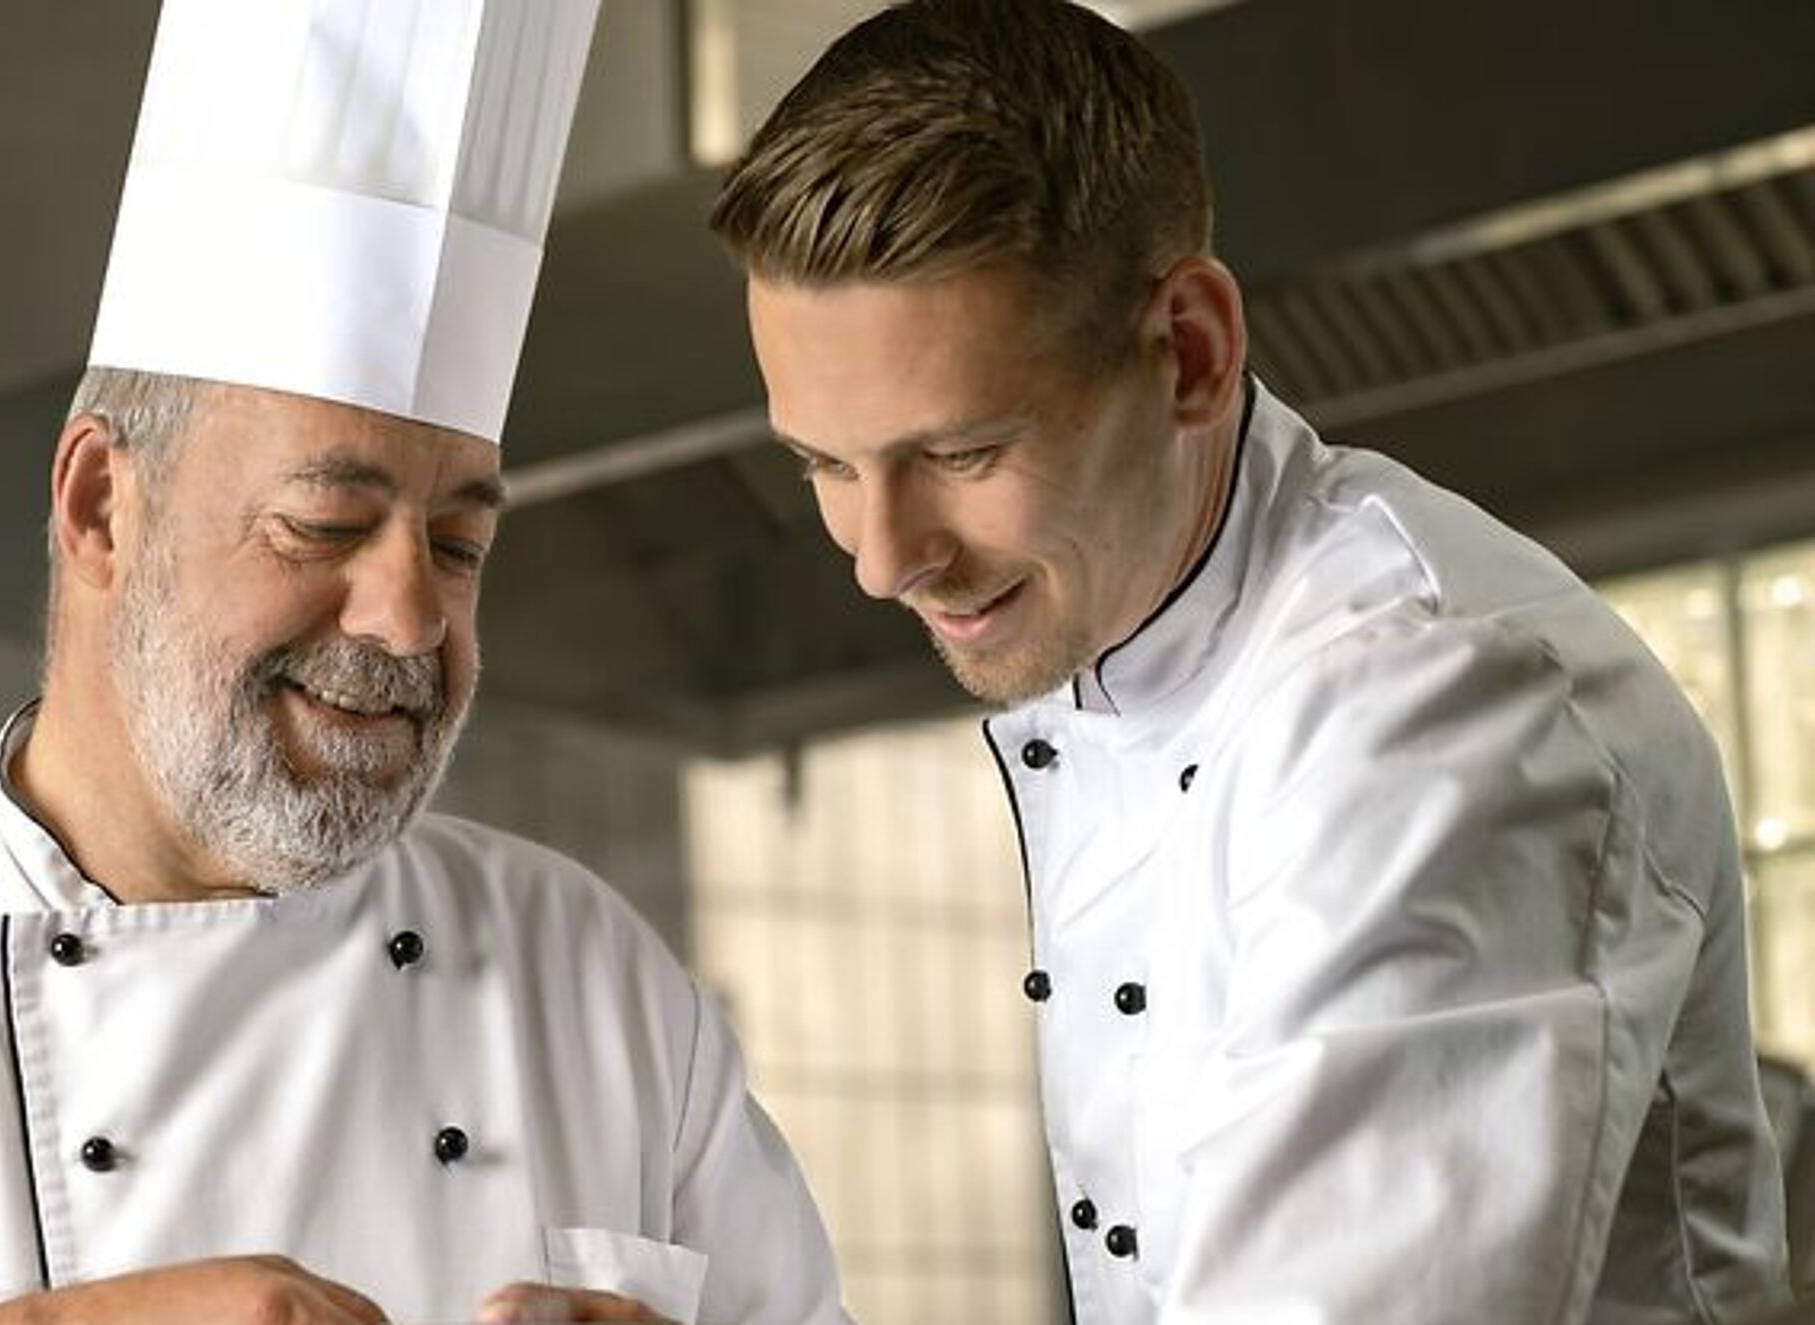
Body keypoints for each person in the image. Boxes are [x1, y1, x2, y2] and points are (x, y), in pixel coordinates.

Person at [0, 4, 849, 1323]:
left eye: (459, 542)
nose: (410, 617)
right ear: (98, 508)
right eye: (323, 525)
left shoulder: (594, 981)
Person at [706, 0, 1794, 1319]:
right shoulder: (1123, 652)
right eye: (823, 464)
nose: (883, 559)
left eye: (961, 453)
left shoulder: (1429, 711)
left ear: (1193, 354)